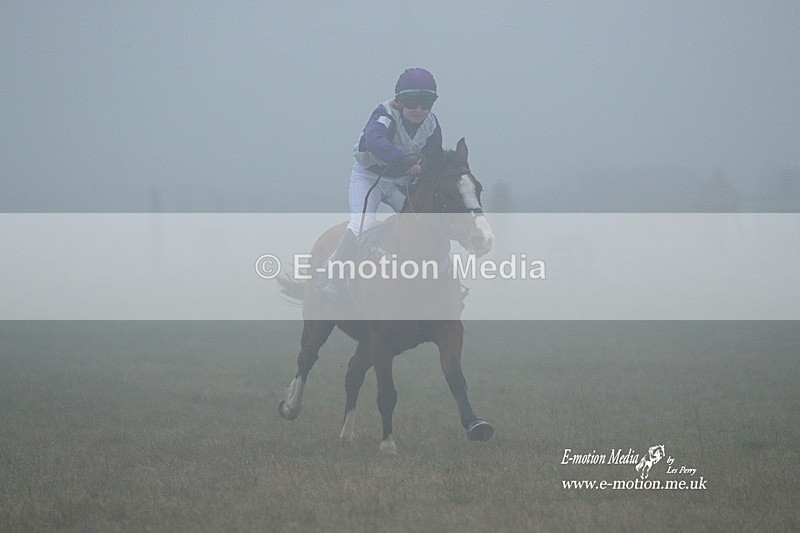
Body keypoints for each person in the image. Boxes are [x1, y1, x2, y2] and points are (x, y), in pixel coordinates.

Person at [317, 67, 443, 297]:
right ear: (400, 101)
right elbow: (375, 142)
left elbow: (434, 156)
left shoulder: (432, 125)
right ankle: (331, 277)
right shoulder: (384, 115)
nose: (418, 109)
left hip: (399, 181)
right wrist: (406, 163)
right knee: (360, 226)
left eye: (425, 103)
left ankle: (433, 280)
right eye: (412, 102)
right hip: (369, 177)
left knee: (426, 223)